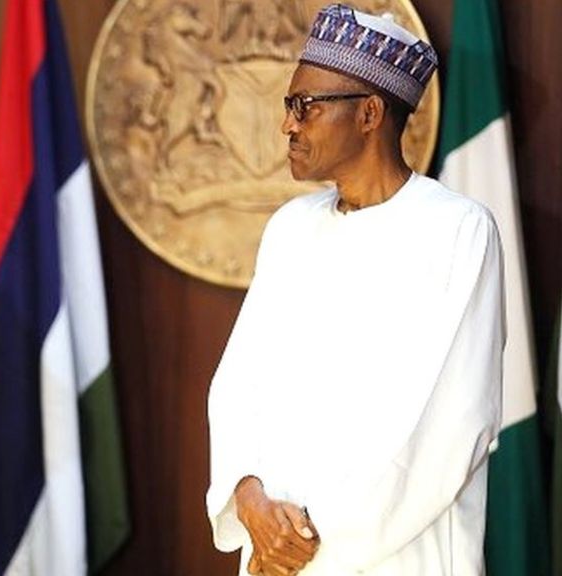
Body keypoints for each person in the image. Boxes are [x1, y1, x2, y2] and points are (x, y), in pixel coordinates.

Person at [205, 4, 503, 575]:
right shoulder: (291, 228)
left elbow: (450, 426)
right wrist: (248, 496)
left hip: (397, 557)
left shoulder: (459, 231)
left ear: (369, 113)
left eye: (306, 106)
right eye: (289, 106)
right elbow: (239, 386)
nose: (288, 125)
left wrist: (307, 540)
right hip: (273, 551)